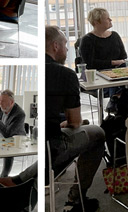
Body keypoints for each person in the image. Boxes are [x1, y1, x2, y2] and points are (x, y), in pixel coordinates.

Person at [46, 25, 106, 212]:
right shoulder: (65, 74)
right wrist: (65, 123)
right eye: (65, 44)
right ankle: (75, 199)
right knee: (97, 133)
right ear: (55, 46)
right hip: (53, 148)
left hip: (39, 144)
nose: (67, 49)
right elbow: (74, 122)